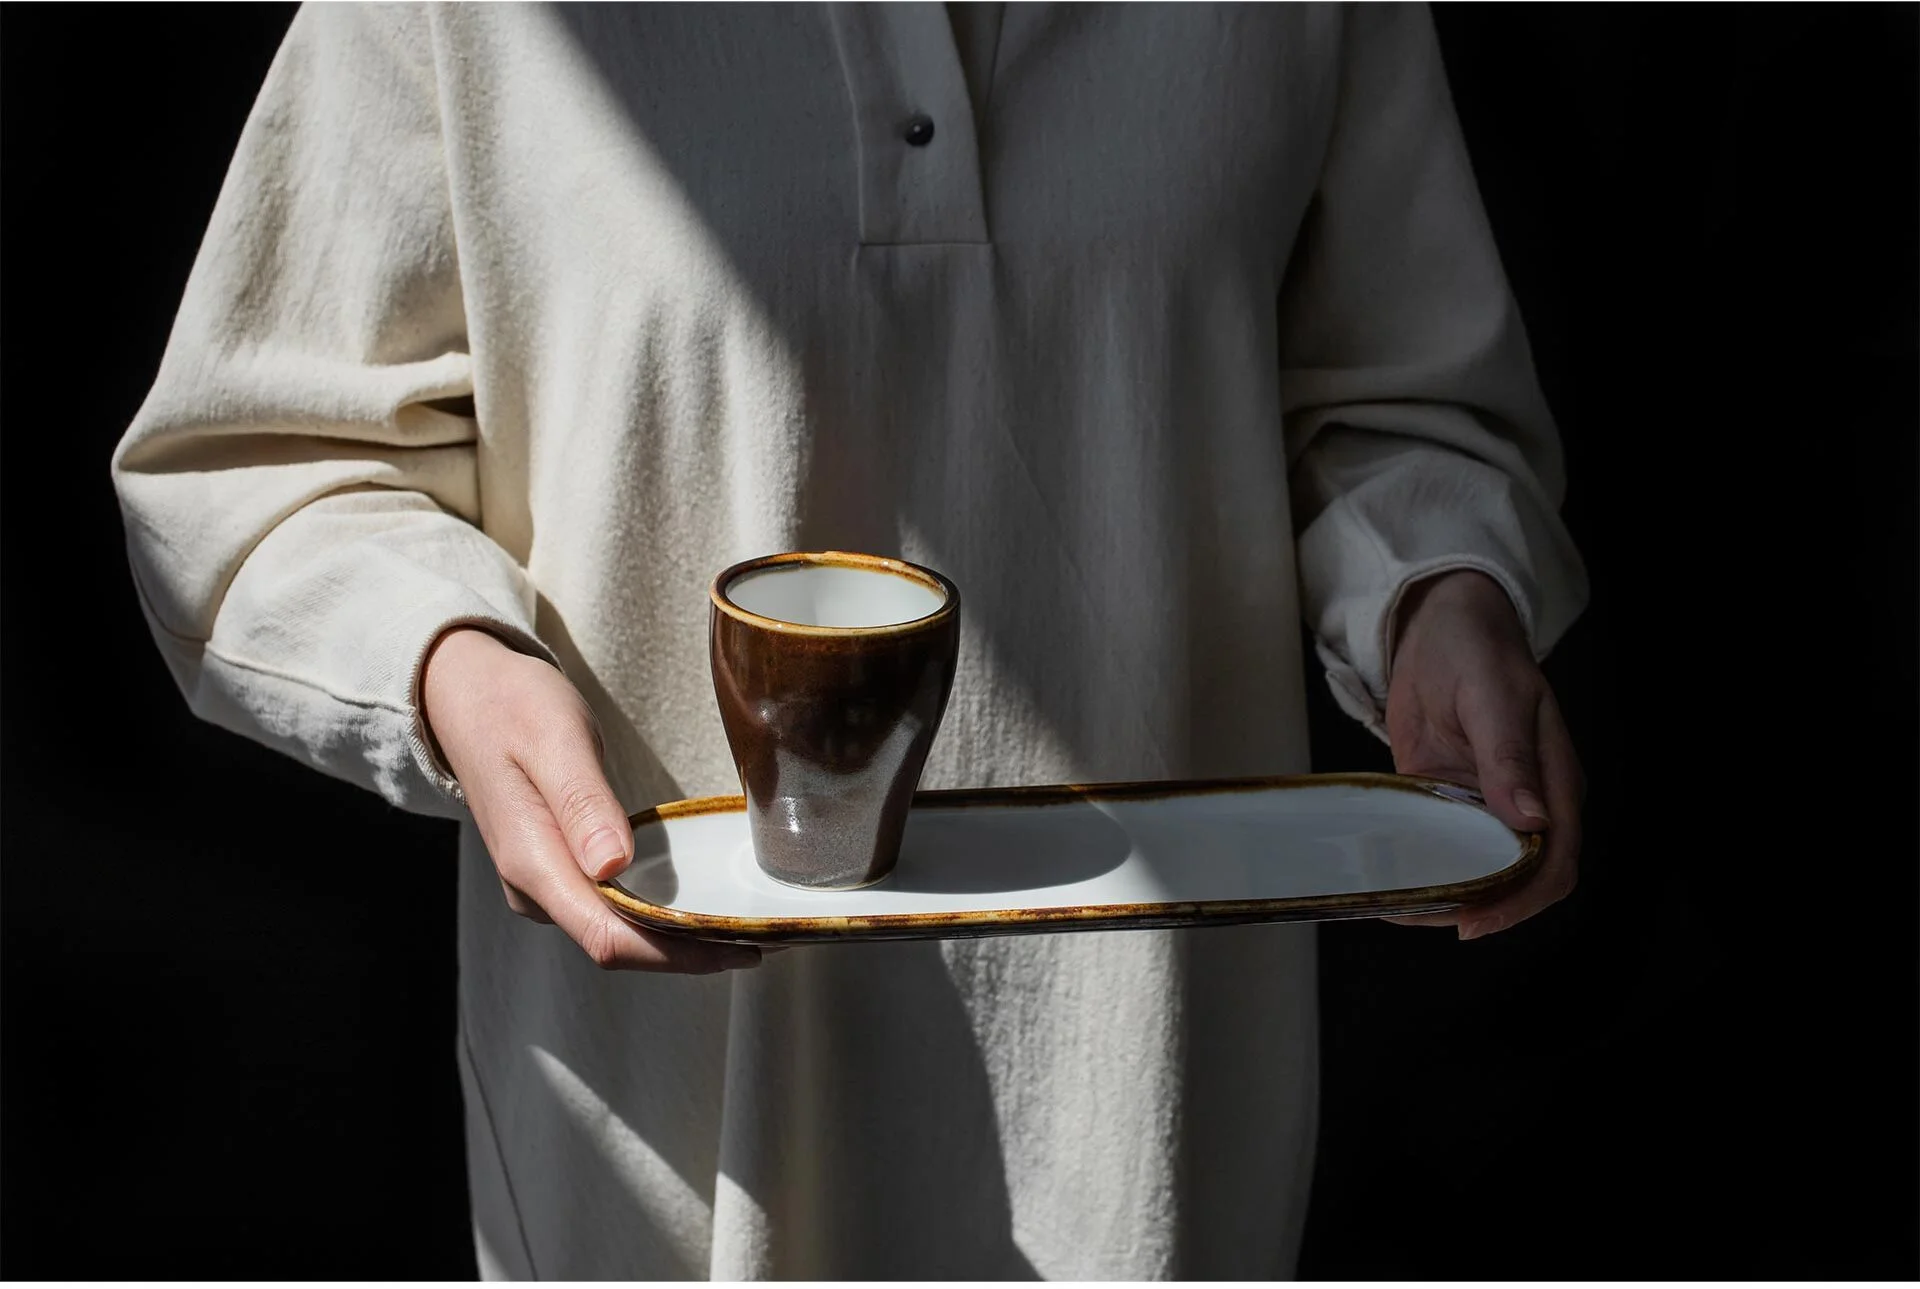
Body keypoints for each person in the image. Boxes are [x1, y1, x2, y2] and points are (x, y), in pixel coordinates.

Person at [112, 2, 1587, 1278]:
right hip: (660, 1136)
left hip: (1153, 1119)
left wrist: (1440, 592)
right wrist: (455, 669)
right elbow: (256, 461)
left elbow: (1401, 403)